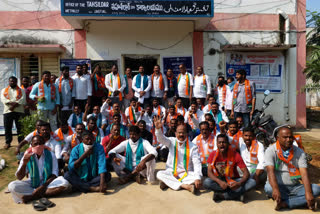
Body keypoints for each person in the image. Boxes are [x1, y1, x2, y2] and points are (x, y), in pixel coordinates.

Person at [264, 127, 320, 210]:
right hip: (278, 186)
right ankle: (301, 202)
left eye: (290, 137)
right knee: (268, 188)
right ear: (278, 138)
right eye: (285, 137)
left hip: (295, 187)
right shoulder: (270, 150)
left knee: (316, 189)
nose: (289, 139)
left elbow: (304, 173)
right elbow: (270, 171)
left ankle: (284, 203)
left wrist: (308, 193)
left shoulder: (299, 152)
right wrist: (275, 189)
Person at [8, 135, 70, 204]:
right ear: (31, 145)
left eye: (41, 143)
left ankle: (33, 196)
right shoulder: (27, 156)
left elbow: (54, 174)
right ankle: (41, 194)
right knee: (12, 186)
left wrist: (43, 186)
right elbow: (19, 177)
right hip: (32, 183)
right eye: (36, 144)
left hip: (48, 183)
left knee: (64, 182)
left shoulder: (51, 154)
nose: (38, 146)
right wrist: (24, 163)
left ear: (44, 144)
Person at [154, 115, 202, 193]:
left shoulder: (193, 146)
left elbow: (197, 163)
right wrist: (158, 129)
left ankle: (168, 183)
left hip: (186, 173)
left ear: (186, 133)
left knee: (197, 177)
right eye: (179, 133)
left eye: (183, 133)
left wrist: (197, 178)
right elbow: (161, 139)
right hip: (172, 172)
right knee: (159, 174)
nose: (181, 135)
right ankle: (185, 186)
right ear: (175, 133)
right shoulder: (171, 141)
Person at [203, 134, 256, 202]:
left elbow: (246, 173)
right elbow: (209, 172)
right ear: (217, 144)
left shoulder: (235, 154)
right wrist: (220, 182)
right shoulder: (213, 154)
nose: (222, 144)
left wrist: (238, 184)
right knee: (206, 182)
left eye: (224, 142)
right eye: (220, 142)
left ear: (228, 143)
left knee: (252, 182)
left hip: (233, 181)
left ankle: (223, 195)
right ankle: (236, 194)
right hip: (219, 180)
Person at [1, 76, 26, 149]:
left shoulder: (21, 90)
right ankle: (8, 142)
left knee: (20, 128)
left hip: (19, 111)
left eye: (14, 81)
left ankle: (21, 142)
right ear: (8, 82)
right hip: (8, 111)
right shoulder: (4, 90)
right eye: (10, 81)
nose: (12, 82)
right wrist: (11, 104)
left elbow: (23, 99)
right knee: (7, 128)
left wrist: (14, 105)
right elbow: (3, 99)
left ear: (16, 82)